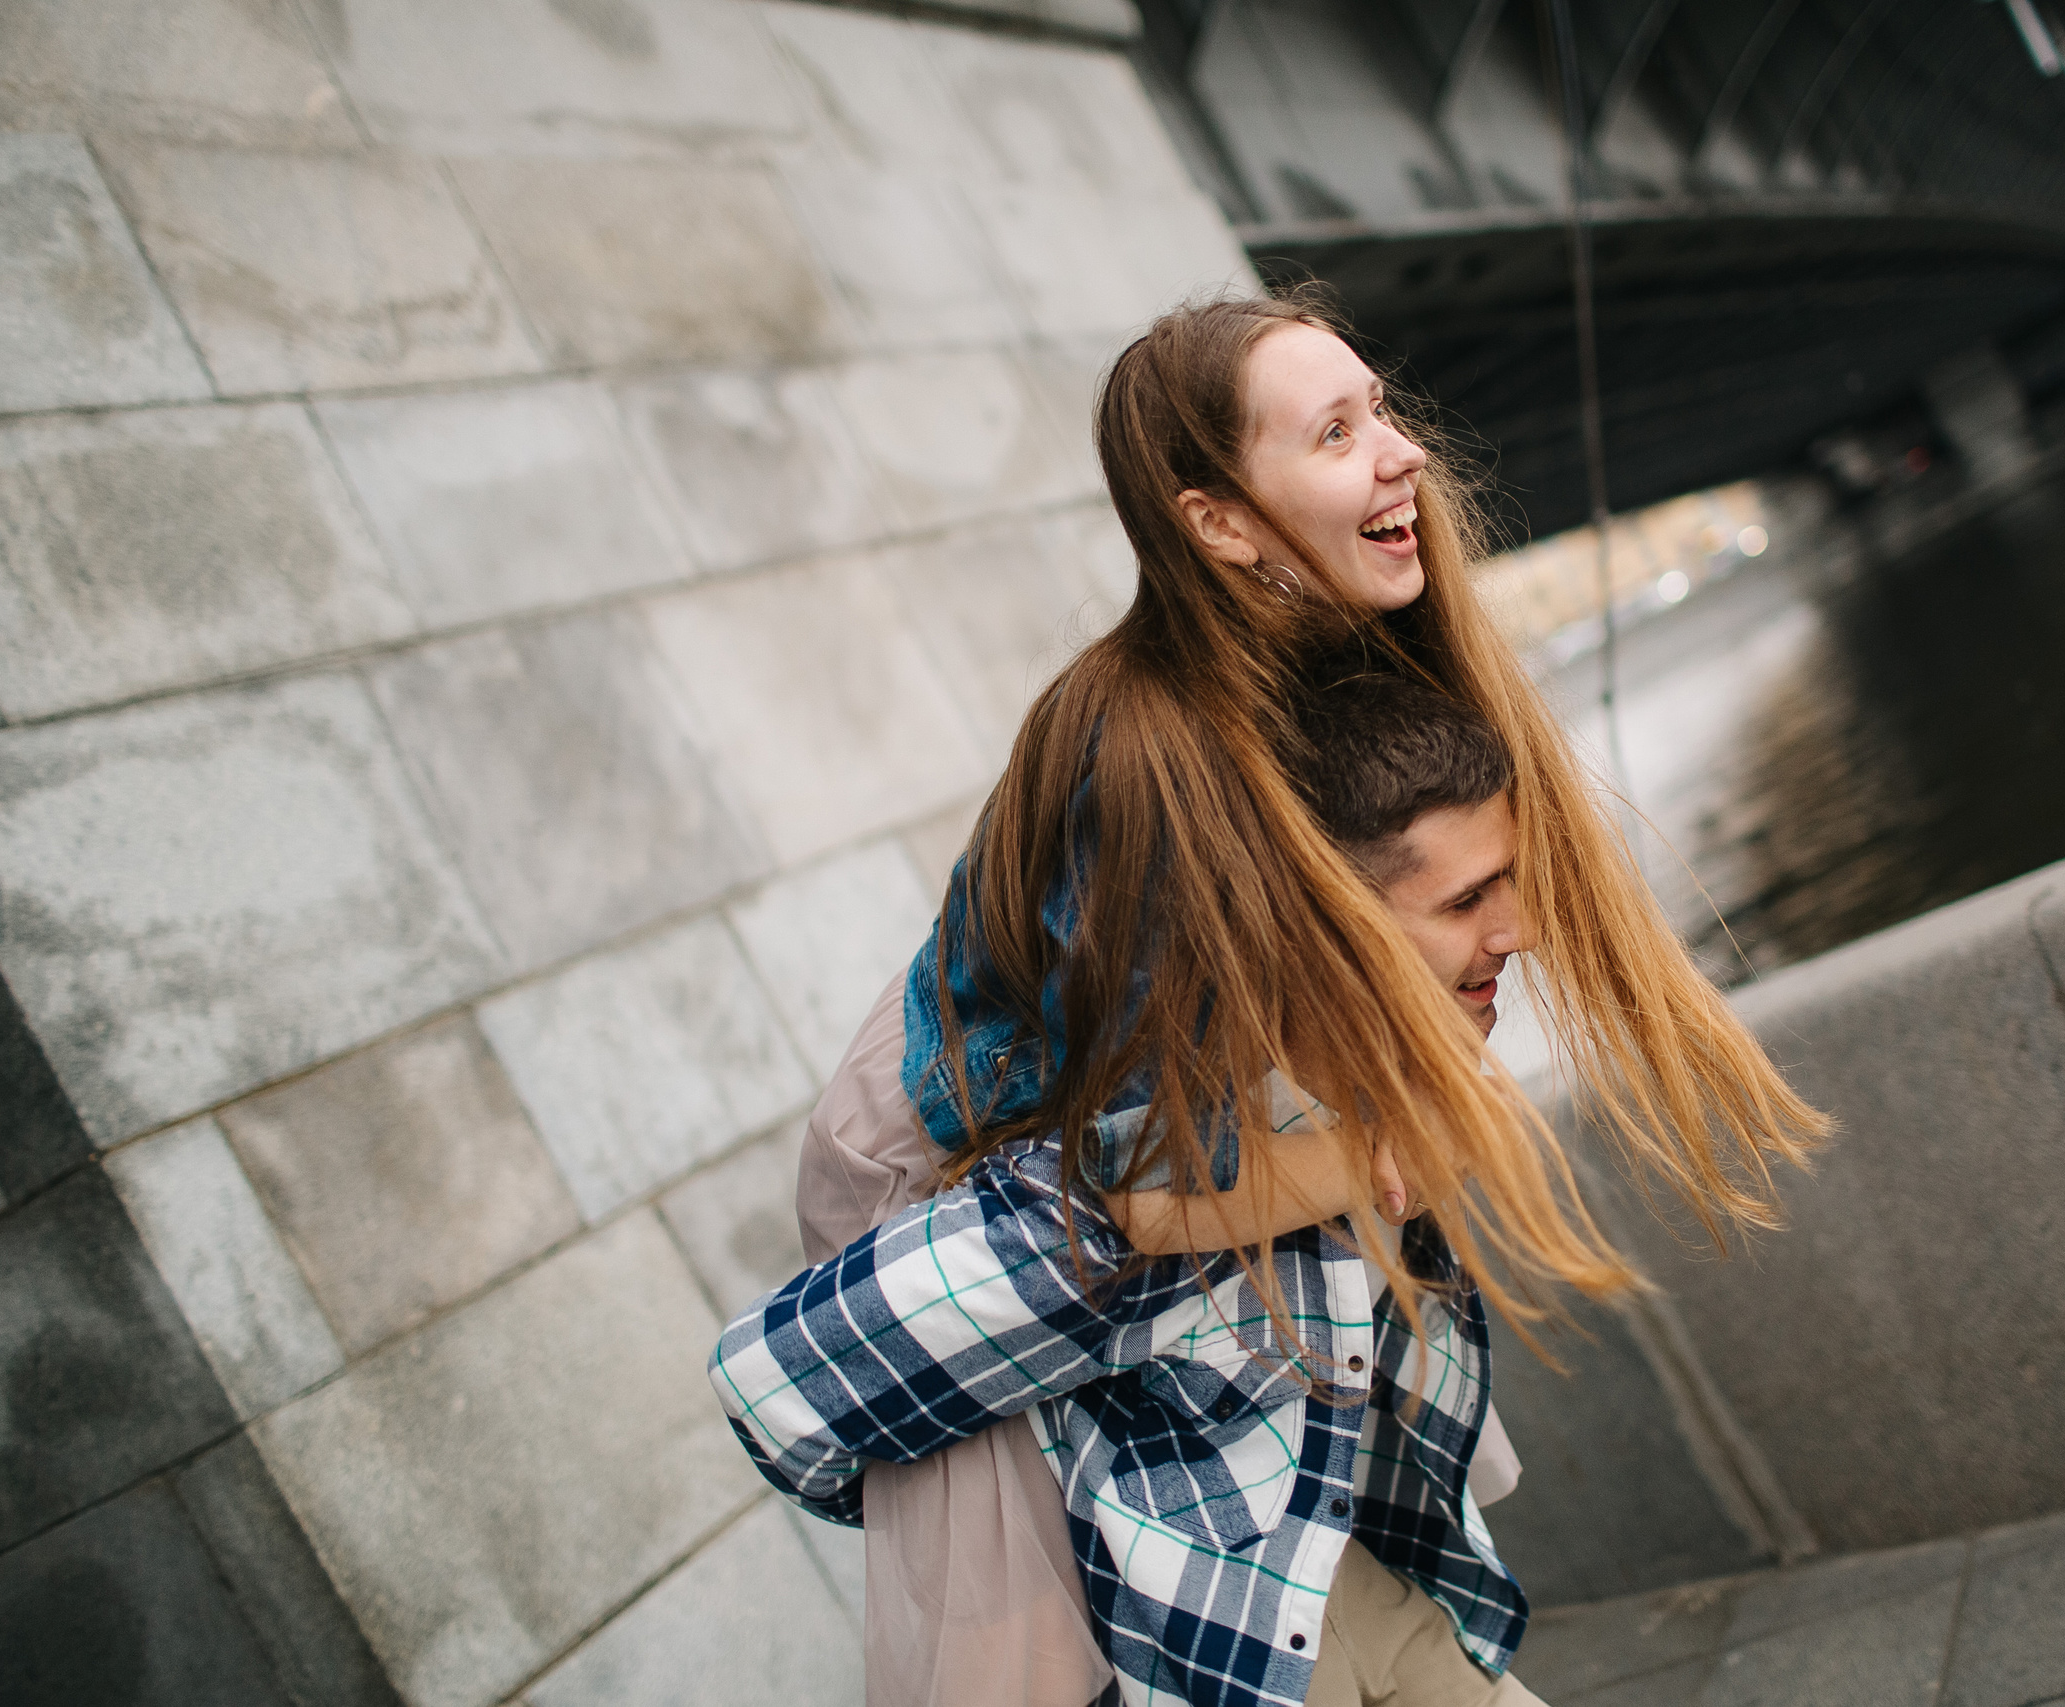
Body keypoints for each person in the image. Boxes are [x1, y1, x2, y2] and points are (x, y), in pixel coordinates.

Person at [714, 291, 1829, 1707]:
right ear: (1224, 523)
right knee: (1031, 1652)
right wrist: (1366, 1151)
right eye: (1338, 429)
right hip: (943, 1172)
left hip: (1131, 1152)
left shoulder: (1331, 658)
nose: (1404, 451)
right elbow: (1127, 1186)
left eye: (1383, 408)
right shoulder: (1147, 761)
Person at [792, 673, 1531, 1707]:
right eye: (1467, 900)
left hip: (1351, 1580)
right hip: (1217, 1643)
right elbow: (792, 1390)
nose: (1520, 929)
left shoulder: (1347, 1054)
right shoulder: (1067, 1188)